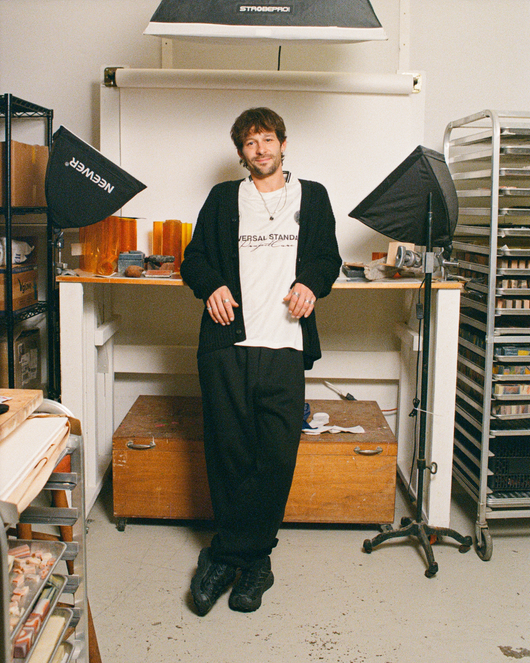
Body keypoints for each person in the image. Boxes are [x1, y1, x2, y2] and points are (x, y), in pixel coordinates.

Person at [180, 107, 341, 615]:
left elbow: (328, 258)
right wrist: (212, 285)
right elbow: (193, 259)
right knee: (228, 453)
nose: (261, 150)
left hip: (285, 343)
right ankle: (251, 564)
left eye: (268, 139)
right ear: (241, 153)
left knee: (275, 456)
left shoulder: (312, 196)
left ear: (283, 144)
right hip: (228, 345)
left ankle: (231, 556)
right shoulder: (223, 198)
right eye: (251, 143)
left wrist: (311, 283)